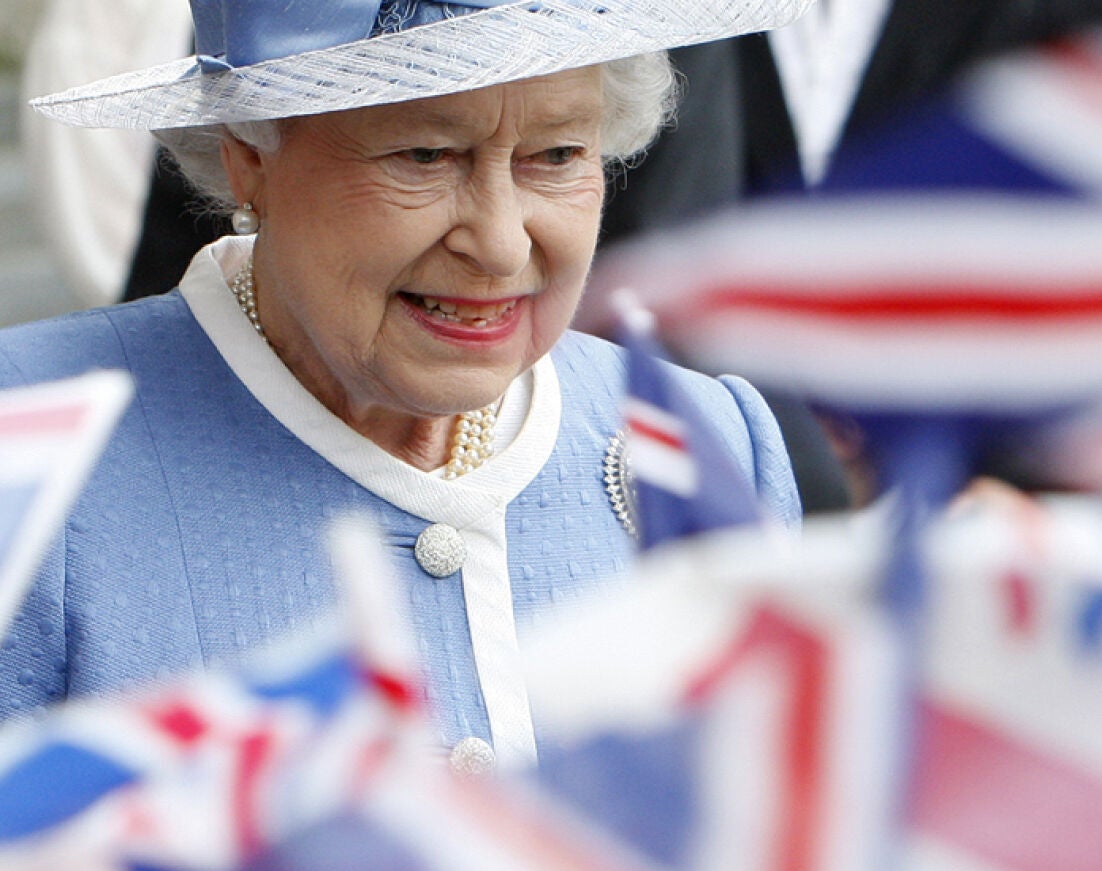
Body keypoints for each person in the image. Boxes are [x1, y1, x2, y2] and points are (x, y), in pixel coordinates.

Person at [0, 0, 808, 772]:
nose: (498, 243)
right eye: (425, 154)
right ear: (252, 155)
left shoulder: (708, 438)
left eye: (556, 155)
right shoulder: (32, 445)